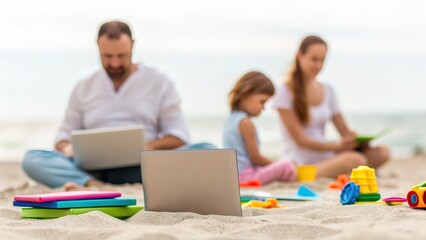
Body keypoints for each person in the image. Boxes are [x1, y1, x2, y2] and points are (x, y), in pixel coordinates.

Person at [22, 20, 214, 190]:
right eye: (107, 56)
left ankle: (86, 182)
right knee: (33, 158)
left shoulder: (160, 82)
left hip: (144, 166)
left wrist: (146, 146)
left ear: (133, 46)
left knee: (207, 150)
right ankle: (91, 184)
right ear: (97, 47)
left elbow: (179, 135)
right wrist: (69, 149)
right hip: (94, 169)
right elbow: (63, 137)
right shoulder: (84, 87)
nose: (114, 63)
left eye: (121, 55)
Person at [272, 35, 390, 178]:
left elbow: (344, 131)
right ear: (300, 56)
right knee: (356, 160)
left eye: (322, 60)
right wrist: (337, 146)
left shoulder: (328, 90)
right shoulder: (285, 91)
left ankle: (340, 171)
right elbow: (301, 140)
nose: (318, 65)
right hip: (301, 161)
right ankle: (338, 172)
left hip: (327, 155)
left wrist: (356, 140)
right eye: (314, 59)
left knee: (383, 152)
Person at [223, 71, 296, 184]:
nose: (263, 108)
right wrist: (275, 164)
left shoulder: (230, 119)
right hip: (245, 177)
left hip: (233, 176)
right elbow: (256, 158)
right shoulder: (245, 123)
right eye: (262, 102)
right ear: (246, 94)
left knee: (282, 165)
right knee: (286, 165)